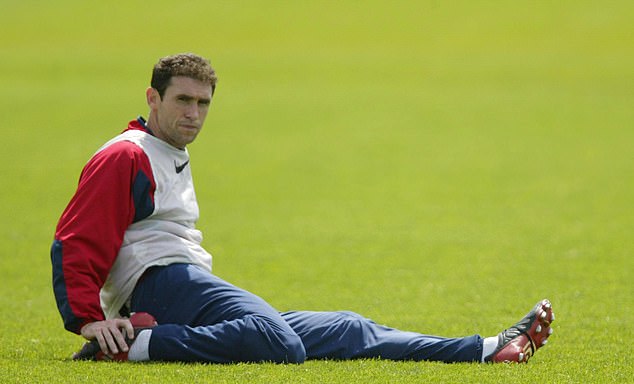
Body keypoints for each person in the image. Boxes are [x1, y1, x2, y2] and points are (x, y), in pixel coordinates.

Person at [51, 53, 554, 364]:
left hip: (182, 287)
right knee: (277, 341)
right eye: (183, 100)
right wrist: (89, 320)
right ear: (152, 98)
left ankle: (487, 349)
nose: (194, 113)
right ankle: (134, 346)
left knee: (347, 328)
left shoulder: (168, 150)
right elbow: (76, 238)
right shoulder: (126, 154)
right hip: (159, 286)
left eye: (204, 103)